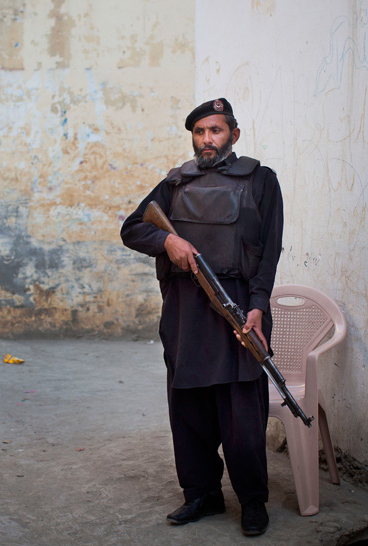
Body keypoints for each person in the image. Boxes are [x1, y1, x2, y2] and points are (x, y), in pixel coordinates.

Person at [120, 98, 283, 536]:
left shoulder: (261, 180)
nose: (207, 139)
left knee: (243, 414)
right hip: (186, 310)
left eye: (215, 130)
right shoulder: (174, 184)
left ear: (234, 133)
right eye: (199, 132)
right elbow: (132, 228)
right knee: (188, 407)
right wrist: (166, 242)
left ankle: (252, 501)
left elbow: (269, 251)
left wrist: (258, 306)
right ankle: (203, 494)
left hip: (237, 306)